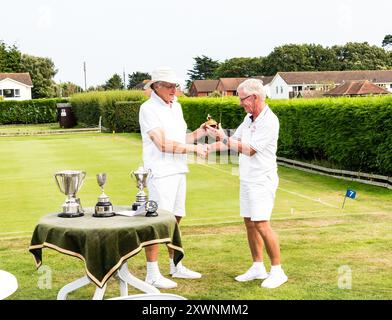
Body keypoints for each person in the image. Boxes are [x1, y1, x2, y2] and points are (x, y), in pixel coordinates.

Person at [206, 79, 288, 289]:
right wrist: (208, 147)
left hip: (262, 179)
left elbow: (249, 149)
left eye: (243, 99)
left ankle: (278, 271)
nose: (241, 103)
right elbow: (235, 140)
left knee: (261, 224)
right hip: (248, 179)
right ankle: (258, 267)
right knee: (250, 223)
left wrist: (224, 139)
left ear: (255, 97)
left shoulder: (270, 121)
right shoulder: (249, 118)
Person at [138, 66, 206, 289]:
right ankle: (152, 273)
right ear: (156, 86)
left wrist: (201, 133)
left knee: (176, 219)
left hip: (178, 170)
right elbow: (162, 143)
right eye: (169, 86)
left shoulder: (176, 107)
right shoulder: (148, 109)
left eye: (175, 86)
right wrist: (194, 150)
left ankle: (176, 264)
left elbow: (180, 138)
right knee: (158, 221)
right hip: (160, 172)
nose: (174, 90)